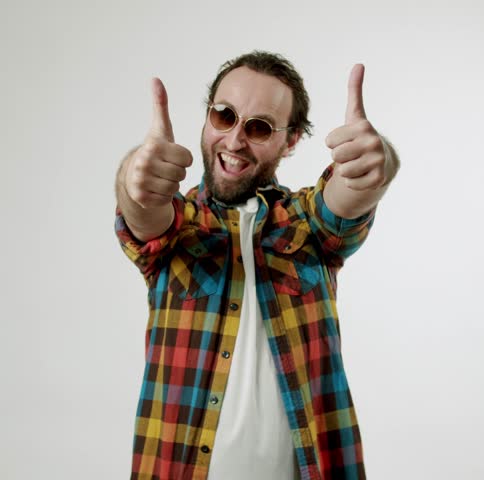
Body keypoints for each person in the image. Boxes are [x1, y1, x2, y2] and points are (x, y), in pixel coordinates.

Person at [114, 51, 399, 480]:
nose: (234, 141)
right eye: (224, 116)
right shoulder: (179, 225)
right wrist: (134, 179)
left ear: (291, 141)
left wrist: (377, 165)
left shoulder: (307, 225)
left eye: (259, 127)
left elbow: (348, 196)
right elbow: (144, 215)